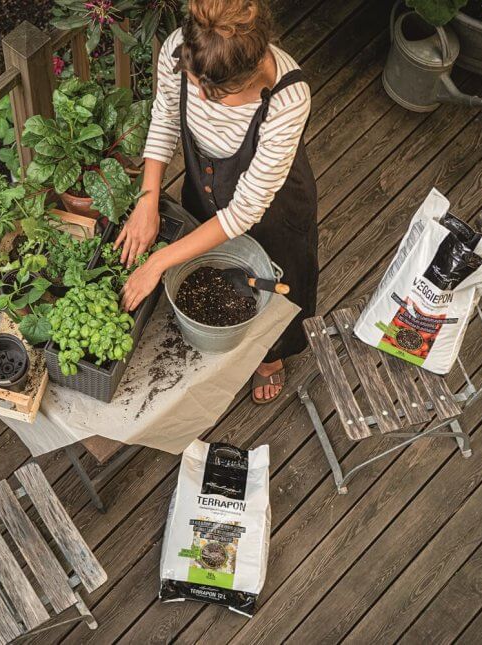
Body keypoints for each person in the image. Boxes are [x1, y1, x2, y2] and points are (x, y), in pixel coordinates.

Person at [117, 0, 318, 404]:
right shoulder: (180, 49)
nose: (201, 101)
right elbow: (165, 119)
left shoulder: (287, 99)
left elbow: (245, 211)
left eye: (214, 95)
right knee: (208, 270)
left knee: (280, 286)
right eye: (195, 86)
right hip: (204, 184)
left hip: (272, 211)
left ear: (254, 68)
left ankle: (271, 356)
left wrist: (157, 262)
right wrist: (147, 199)